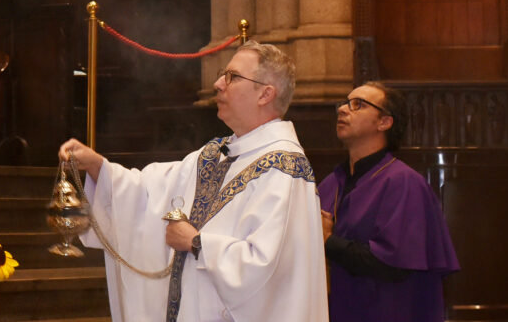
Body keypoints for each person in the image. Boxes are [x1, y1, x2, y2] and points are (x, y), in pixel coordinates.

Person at [58, 41, 327, 322]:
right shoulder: (217, 154)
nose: (218, 83)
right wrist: (98, 166)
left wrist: (198, 243)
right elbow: (149, 193)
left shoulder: (285, 169)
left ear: (265, 94)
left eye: (232, 77)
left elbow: (271, 270)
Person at [319, 81, 459, 322]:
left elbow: (391, 265)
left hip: (387, 311)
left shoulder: (403, 182)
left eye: (357, 105)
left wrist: (327, 241)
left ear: (384, 122)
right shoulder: (330, 184)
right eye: (343, 103)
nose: (343, 110)